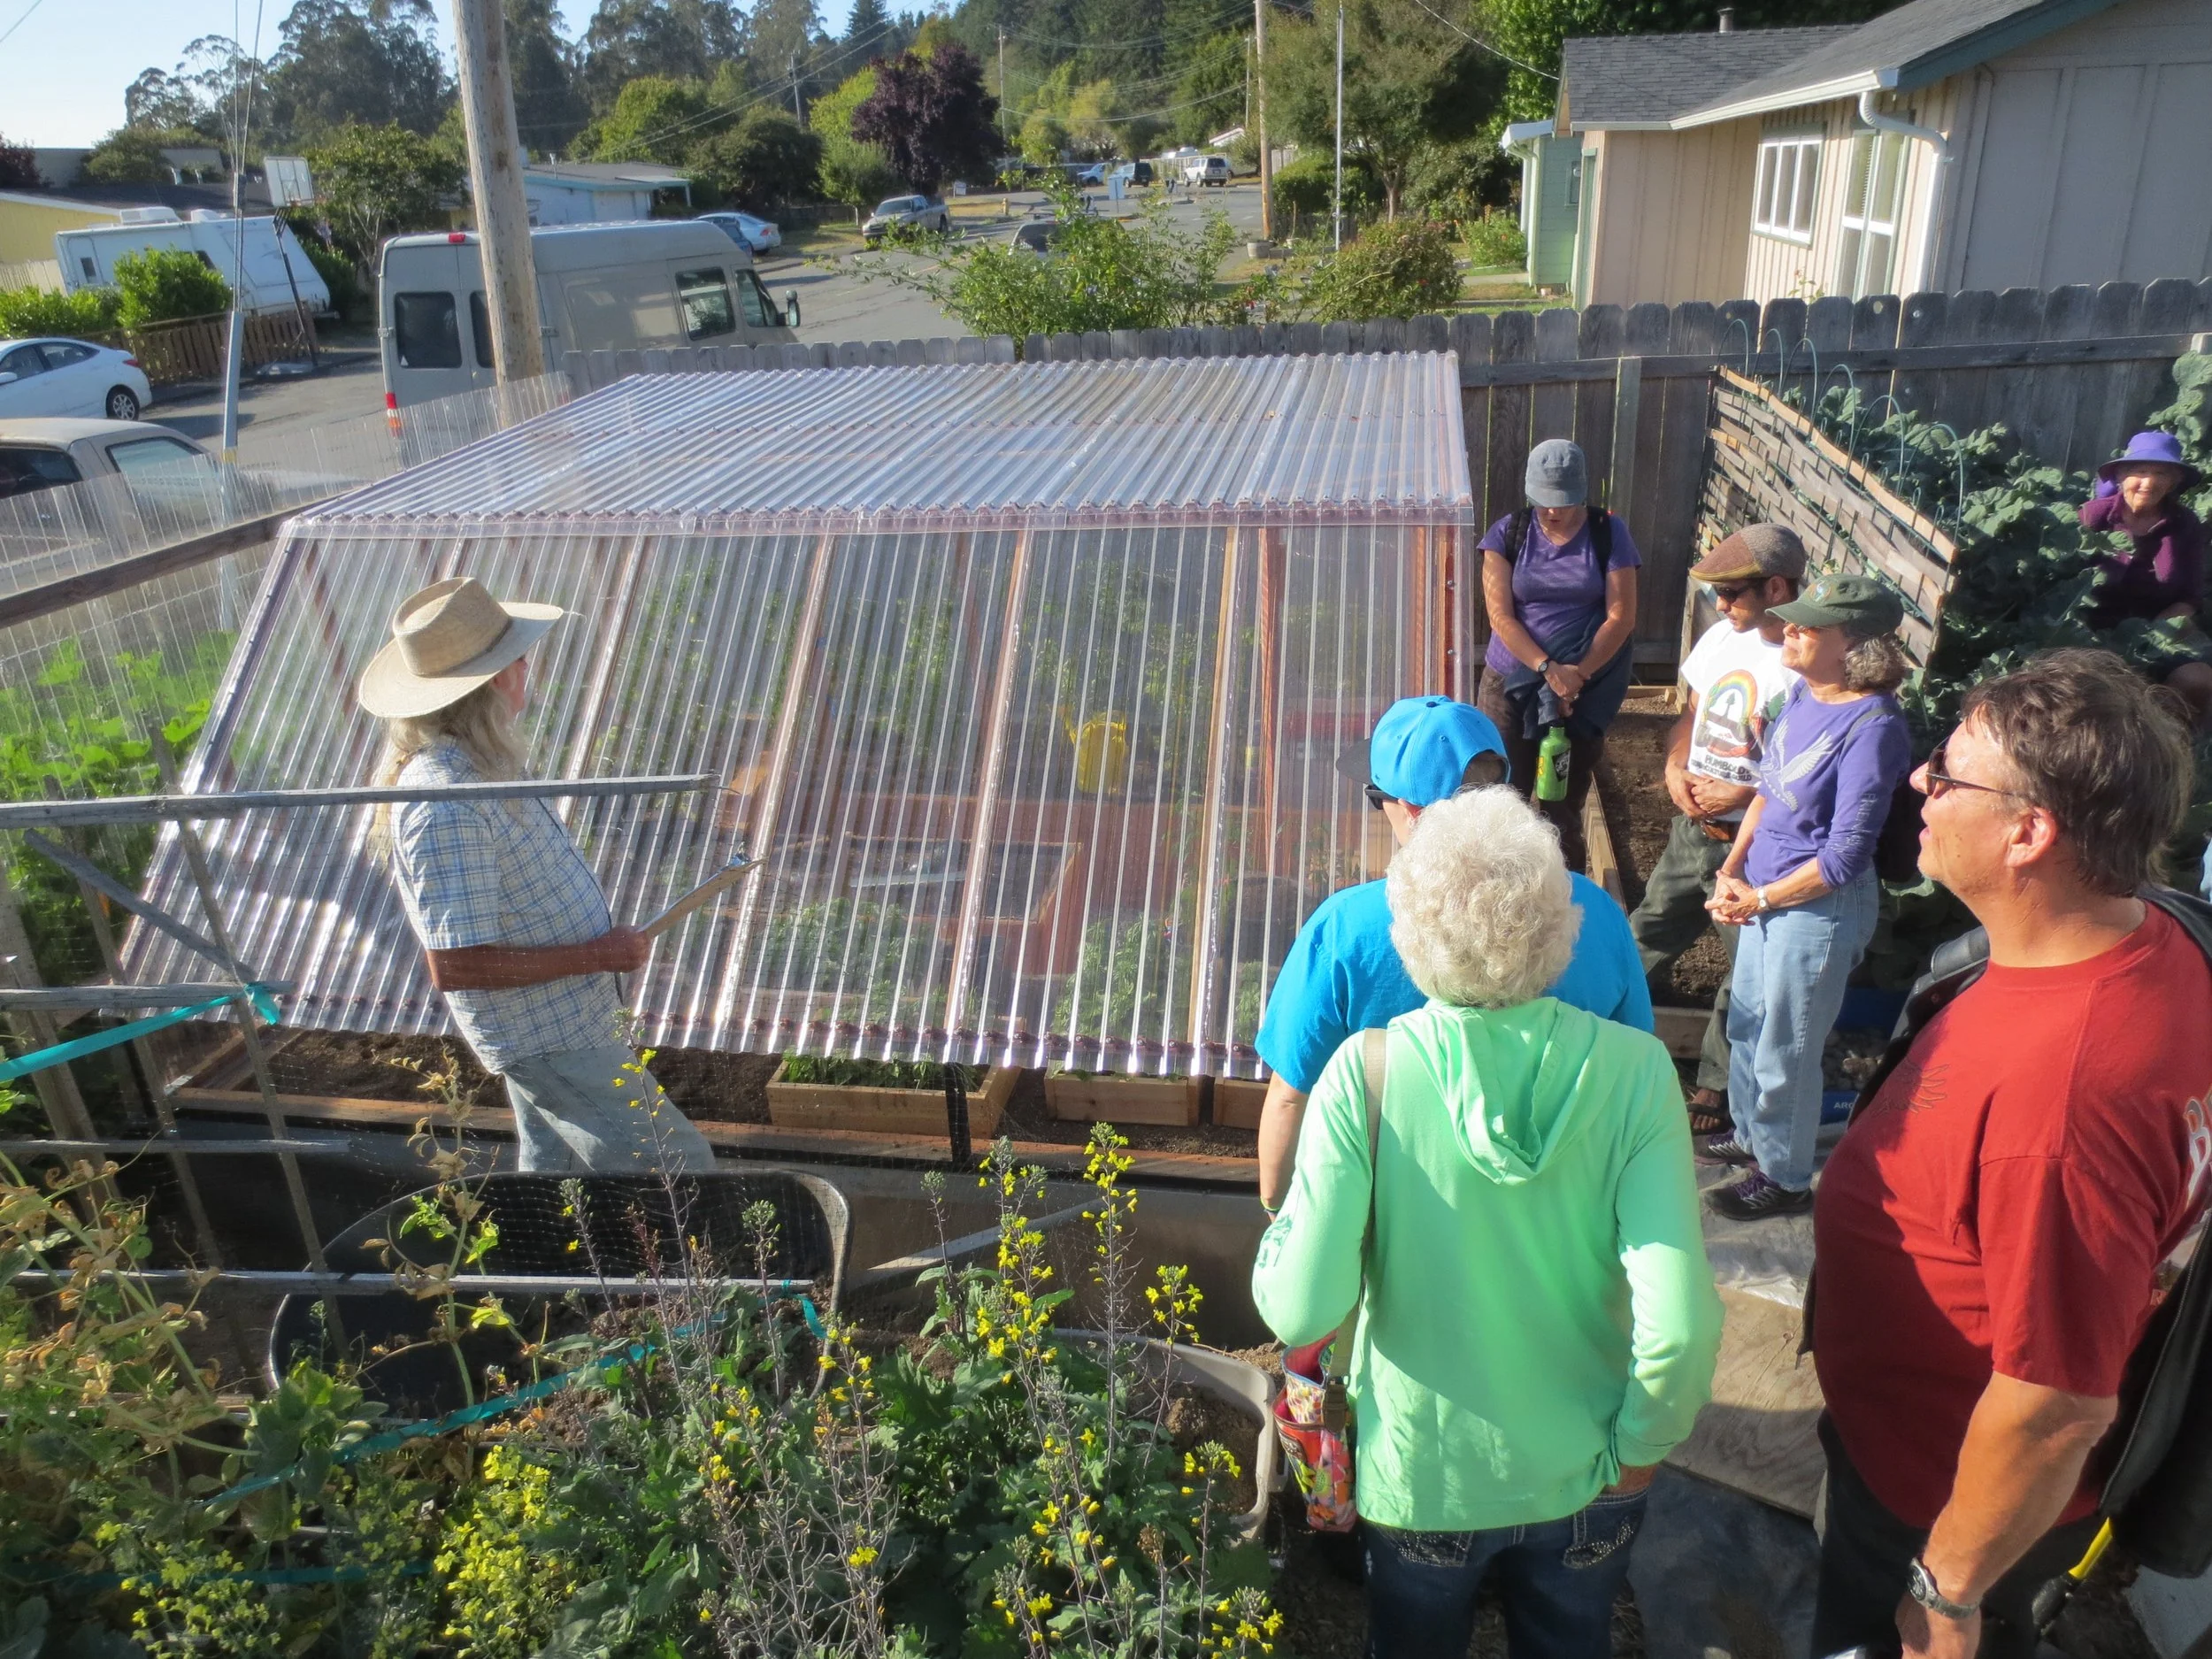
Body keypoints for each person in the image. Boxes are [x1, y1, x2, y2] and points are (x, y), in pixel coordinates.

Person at [1251, 787, 1722, 1659]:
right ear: (1559, 922)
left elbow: (1300, 1310)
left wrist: (1282, 1235)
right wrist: (1638, 1449)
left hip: (1426, 1475)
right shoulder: (1636, 1072)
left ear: (1409, 929)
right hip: (1592, 1474)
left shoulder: (1368, 1074)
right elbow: (1682, 1318)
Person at [1809, 649, 2210, 1659]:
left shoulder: (2064, 1109)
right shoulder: (2161, 935)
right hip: (1915, 1448)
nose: (1918, 784)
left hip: (1935, 1500)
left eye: (1946, 774)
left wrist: (1945, 1593)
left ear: (2030, 833)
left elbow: (2056, 1407)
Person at [360, 576, 716, 1174]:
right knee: (677, 1166)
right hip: (549, 1038)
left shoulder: (479, 768)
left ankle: (554, 1264)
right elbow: (457, 964)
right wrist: (597, 953)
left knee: (558, 1177)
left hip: (558, 1023)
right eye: (521, 660)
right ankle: (698, 1265)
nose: (529, 669)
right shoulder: (447, 802)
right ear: (498, 681)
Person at [1254, 695, 1652, 1211]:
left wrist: (1275, 1212)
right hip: (1563, 1216)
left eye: (1379, 797)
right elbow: (1637, 1075)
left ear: (1412, 811)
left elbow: (1289, 1097)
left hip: (1401, 1220)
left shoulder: (1347, 926)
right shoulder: (1594, 911)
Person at [1702, 573, 1912, 1219]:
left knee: (1786, 1048)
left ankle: (1785, 1176)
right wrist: (1731, 868)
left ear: (1857, 644)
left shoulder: (1873, 728)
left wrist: (1760, 898)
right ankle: (1750, 1134)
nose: (1789, 629)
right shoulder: (1803, 693)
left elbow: (1845, 857)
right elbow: (1767, 788)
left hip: (1815, 911)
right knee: (1747, 1024)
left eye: (1808, 625)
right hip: (1766, 895)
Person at [1628, 524, 1804, 1135]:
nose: (1720, 605)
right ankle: (1597, 1023)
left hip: (1756, 845)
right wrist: (1677, 764)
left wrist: (1750, 791)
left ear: (1777, 587)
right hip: (1694, 829)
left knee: (1745, 970)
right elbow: (1691, 716)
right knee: (1649, 928)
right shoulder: (1721, 642)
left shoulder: (1802, 657)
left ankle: (1715, 1082)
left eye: (1731, 593)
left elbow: (1817, 759)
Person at [1476, 438, 1641, 872]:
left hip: (1584, 686)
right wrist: (1548, 669)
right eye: (1545, 501)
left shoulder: (1608, 533)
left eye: (1564, 502)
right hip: (1511, 683)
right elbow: (1500, 616)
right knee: (1500, 797)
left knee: (1561, 803)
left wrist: (1577, 675)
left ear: (1582, 491)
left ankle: (1569, 899)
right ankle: (1499, 898)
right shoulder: (1508, 533)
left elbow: (1621, 616)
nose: (1553, 511)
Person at [2079, 429, 2212, 727]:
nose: (2148, 482)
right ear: (2122, 475)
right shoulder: (2090, 517)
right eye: (2140, 470)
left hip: (2159, 631)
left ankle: (2169, 744)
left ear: (2174, 482)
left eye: (2160, 473)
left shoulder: (2186, 524)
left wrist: (2150, 638)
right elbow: (2057, 582)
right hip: (2090, 632)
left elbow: (2190, 597)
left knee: (2198, 678)